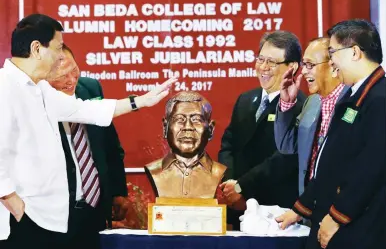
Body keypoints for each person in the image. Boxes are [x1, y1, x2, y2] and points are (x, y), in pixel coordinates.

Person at [0, 13, 176, 249]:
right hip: (21, 221)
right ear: (36, 49)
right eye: (58, 47)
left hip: (47, 218)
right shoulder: (4, 87)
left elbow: (83, 110)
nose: (61, 56)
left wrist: (140, 101)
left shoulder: (39, 88)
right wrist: (14, 205)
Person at [276, 19, 386, 249]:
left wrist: (337, 217)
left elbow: (370, 171)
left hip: (357, 227)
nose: (332, 61)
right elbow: (331, 161)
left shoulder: (381, 100)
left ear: (355, 52)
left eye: (333, 52)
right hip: (330, 218)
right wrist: (301, 208)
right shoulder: (352, 98)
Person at [218, 30, 306, 229]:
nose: (263, 67)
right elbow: (228, 144)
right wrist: (231, 186)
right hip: (238, 208)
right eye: (261, 59)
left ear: (292, 67)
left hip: (274, 214)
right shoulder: (246, 99)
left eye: (272, 62)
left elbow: (283, 159)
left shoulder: (299, 106)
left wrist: (242, 187)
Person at [47, 44, 128, 249]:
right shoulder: (37, 100)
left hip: (94, 208)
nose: (71, 80)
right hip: (55, 211)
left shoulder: (90, 88)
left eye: (74, 70)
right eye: (62, 76)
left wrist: (118, 191)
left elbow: (110, 144)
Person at [274, 37, 349, 196]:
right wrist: (287, 103)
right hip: (308, 206)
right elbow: (287, 145)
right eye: (304, 65)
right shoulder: (312, 102)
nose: (303, 71)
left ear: (333, 66)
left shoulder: (355, 101)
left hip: (341, 206)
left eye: (310, 65)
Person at [145, 91, 227, 198]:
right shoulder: (155, 171)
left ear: (210, 129)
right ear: (165, 127)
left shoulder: (219, 172)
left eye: (196, 119)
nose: (187, 126)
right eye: (179, 119)